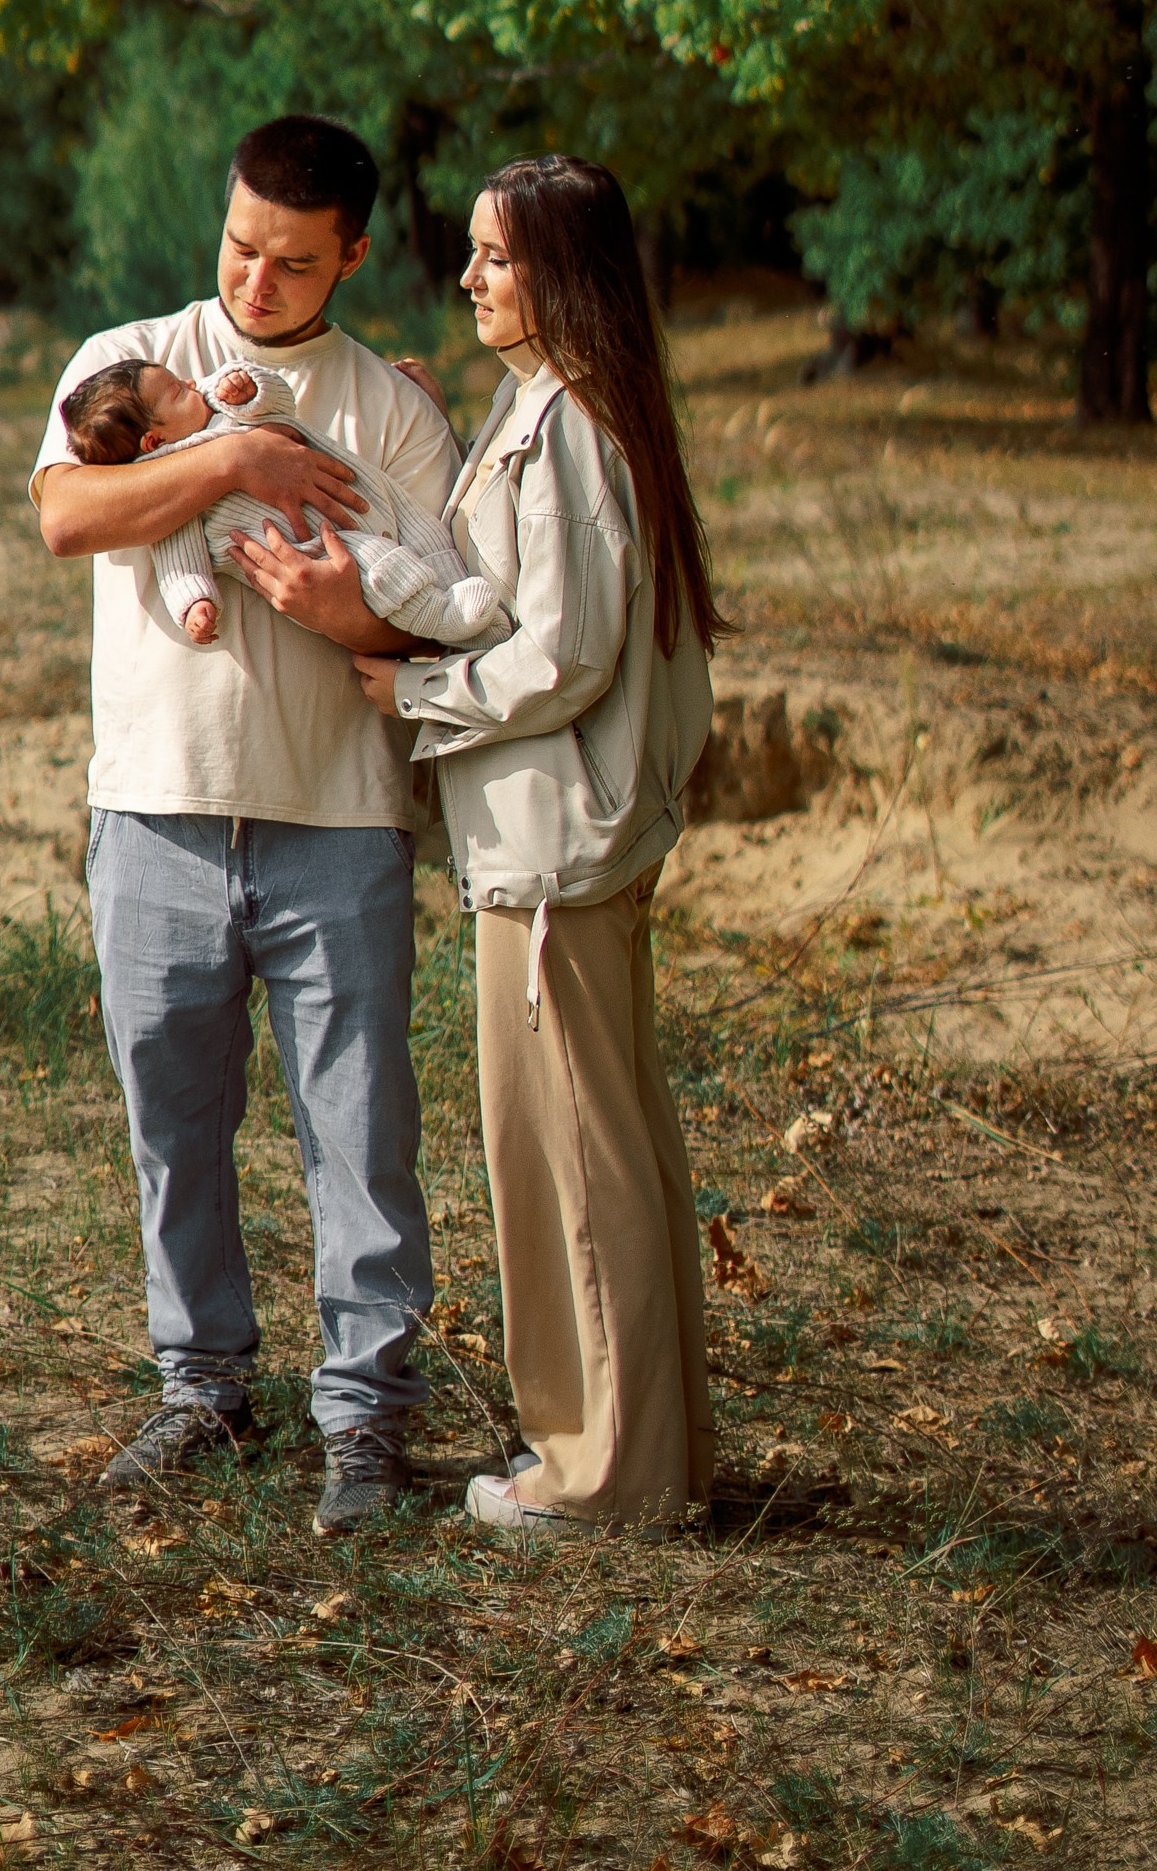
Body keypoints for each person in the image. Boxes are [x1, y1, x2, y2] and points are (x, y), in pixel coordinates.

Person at [244, 153, 720, 1535]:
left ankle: (599, 1476)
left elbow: (560, 653)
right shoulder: (562, 411)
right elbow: (513, 593)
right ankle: (651, 1455)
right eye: (472, 253)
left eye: (495, 259)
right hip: (568, 843)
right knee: (609, 1144)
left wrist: (415, 694)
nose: (468, 278)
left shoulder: (571, 425)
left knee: (568, 1154)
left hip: (553, 847)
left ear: (560, 273)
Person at [30, 115, 460, 1536]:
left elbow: (452, 593)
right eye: (238, 245)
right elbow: (65, 516)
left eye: (291, 260)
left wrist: (349, 611)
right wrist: (226, 464)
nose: (255, 281)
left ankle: (367, 1420)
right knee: (174, 1120)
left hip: (335, 820)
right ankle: (203, 1387)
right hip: (152, 810)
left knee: (358, 1130)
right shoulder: (128, 360)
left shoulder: (391, 409)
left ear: (353, 253)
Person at [55, 353, 505, 650]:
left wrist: (250, 391)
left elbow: (278, 406)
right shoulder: (168, 490)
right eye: (177, 392)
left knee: (429, 534)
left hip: (375, 497)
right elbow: (178, 558)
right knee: (381, 564)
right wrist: (193, 603)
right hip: (328, 547)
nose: (193, 383)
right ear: (154, 440)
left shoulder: (221, 407)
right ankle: (444, 617)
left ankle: (487, 630)